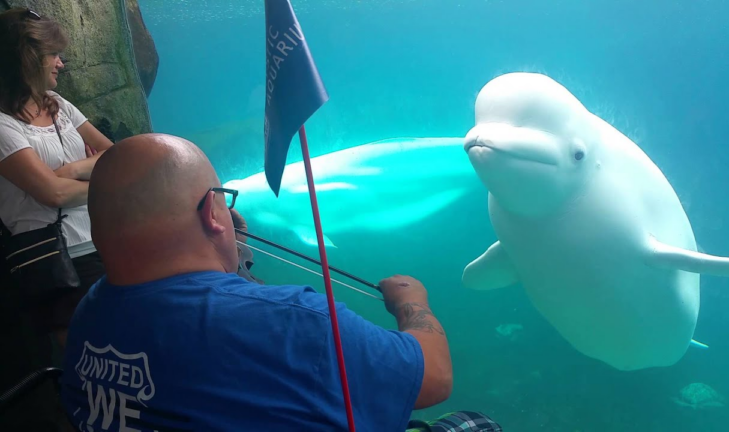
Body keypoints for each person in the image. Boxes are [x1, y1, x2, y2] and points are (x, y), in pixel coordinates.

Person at [59, 133, 454, 431]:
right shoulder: (296, 322)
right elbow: (433, 379)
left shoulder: (89, 313)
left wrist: (229, 256)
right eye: (223, 203)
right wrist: (412, 302)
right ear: (214, 216)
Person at [0, 8, 114, 432]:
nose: (61, 63)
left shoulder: (60, 106)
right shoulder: (2, 125)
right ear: (27, 58)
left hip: (101, 242)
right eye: (53, 54)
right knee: (91, 367)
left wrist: (68, 172)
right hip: (54, 259)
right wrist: (87, 176)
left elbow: (115, 155)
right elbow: (50, 194)